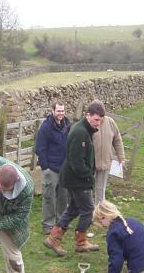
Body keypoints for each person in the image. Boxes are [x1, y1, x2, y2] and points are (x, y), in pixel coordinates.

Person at [44, 101, 104, 256]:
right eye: (96, 119)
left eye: (101, 120)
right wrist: (89, 177)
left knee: (73, 209)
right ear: (88, 115)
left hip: (73, 178)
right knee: (88, 211)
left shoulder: (86, 130)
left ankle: (54, 238)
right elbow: (76, 162)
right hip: (77, 179)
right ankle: (81, 242)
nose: (99, 123)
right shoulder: (80, 132)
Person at [34, 101, 70, 235]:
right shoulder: (46, 127)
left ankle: (61, 222)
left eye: (62, 111)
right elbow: (39, 148)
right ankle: (48, 226)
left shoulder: (67, 124)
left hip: (64, 168)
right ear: (52, 111)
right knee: (49, 198)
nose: (61, 113)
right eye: (58, 111)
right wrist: (46, 167)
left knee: (63, 197)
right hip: (51, 169)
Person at [93, 112, 125, 202]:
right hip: (91, 164)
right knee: (86, 191)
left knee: (100, 191)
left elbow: (117, 140)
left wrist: (121, 157)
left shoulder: (110, 122)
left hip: (105, 163)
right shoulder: (90, 123)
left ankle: (99, 213)